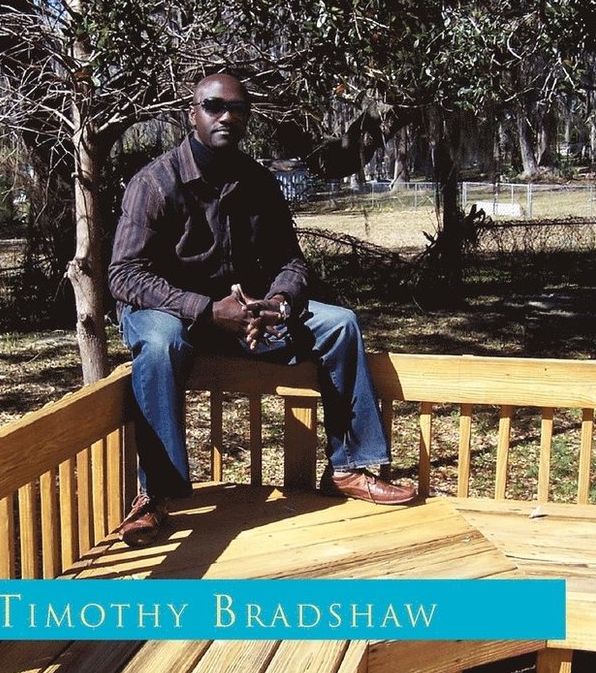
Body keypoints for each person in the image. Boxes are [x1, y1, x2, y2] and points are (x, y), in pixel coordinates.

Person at [108, 73, 416, 546]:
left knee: (340, 324)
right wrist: (206, 309)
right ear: (192, 115)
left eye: (237, 109)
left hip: (243, 311)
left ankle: (349, 468)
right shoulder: (154, 183)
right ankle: (156, 495)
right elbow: (125, 275)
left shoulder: (257, 182)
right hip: (166, 310)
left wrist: (278, 303)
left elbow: (290, 261)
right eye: (213, 106)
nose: (226, 116)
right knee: (159, 342)